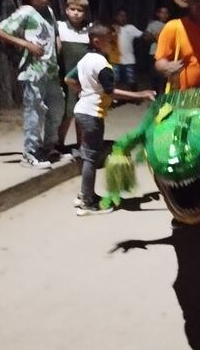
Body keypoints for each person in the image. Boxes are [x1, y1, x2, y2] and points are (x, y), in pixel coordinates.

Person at [65, 23, 155, 215]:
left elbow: (69, 79)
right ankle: (87, 203)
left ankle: (84, 194)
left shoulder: (85, 59)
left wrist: (85, 92)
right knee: (91, 158)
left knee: (88, 154)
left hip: (81, 110)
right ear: (97, 41)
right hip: (92, 114)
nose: (112, 43)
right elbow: (111, 91)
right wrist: (140, 95)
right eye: (109, 40)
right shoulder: (101, 64)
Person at [0, 0, 65, 168]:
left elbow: (53, 32)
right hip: (33, 71)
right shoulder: (26, 12)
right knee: (35, 112)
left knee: (56, 109)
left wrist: (57, 43)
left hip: (51, 70)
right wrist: (25, 44)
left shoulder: (49, 11)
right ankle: (30, 153)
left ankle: (49, 146)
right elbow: (0, 30)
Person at [57, 0, 91, 152]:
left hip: (83, 79)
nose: (76, 13)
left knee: (81, 112)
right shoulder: (60, 27)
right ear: (66, 10)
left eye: (80, 10)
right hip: (65, 78)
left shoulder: (89, 30)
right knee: (66, 113)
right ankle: (58, 144)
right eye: (72, 9)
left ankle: (81, 144)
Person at [113, 8, 143, 90]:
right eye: (120, 15)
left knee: (131, 80)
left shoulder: (130, 28)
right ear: (116, 17)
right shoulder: (112, 28)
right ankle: (116, 99)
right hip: (115, 60)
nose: (122, 18)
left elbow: (143, 36)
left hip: (129, 60)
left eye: (124, 16)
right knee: (115, 80)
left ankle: (135, 98)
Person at [144, 6, 170, 94]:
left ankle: (164, 98)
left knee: (165, 77)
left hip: (167, 54)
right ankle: (156, 97)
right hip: (154, 53)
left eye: (166, 13)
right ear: (158, 14)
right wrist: (155, 37)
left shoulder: (170, 25)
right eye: (162, 12)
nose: (164, 15)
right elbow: (145, 37)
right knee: (154, 77)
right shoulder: (152, 24)